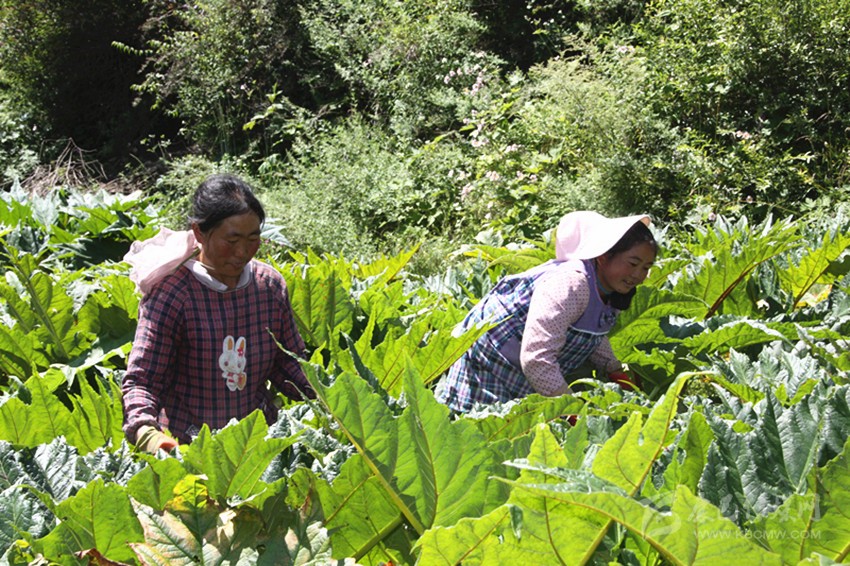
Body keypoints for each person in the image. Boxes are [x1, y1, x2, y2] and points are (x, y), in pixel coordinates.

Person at [121, 173, 314, 453]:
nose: (243, 252)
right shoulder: (174, 294)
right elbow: (143, 381)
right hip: (188, 446)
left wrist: (329, 396)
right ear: (199, 232)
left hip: (256, 442)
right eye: (231, 240)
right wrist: (148, 433)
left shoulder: (269, 286)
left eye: (252, 239)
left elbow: (288, 362)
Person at [435, 210, 657, 413]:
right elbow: (536, 360)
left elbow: (593, 331)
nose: (638, 275)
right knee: (480, 431)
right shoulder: (572, 285)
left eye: (646, 267)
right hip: (489, 360)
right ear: (603, 255)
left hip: (523, 369)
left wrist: (615, 370)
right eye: (633, 263)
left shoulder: (611, 289)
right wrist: (571, 412)